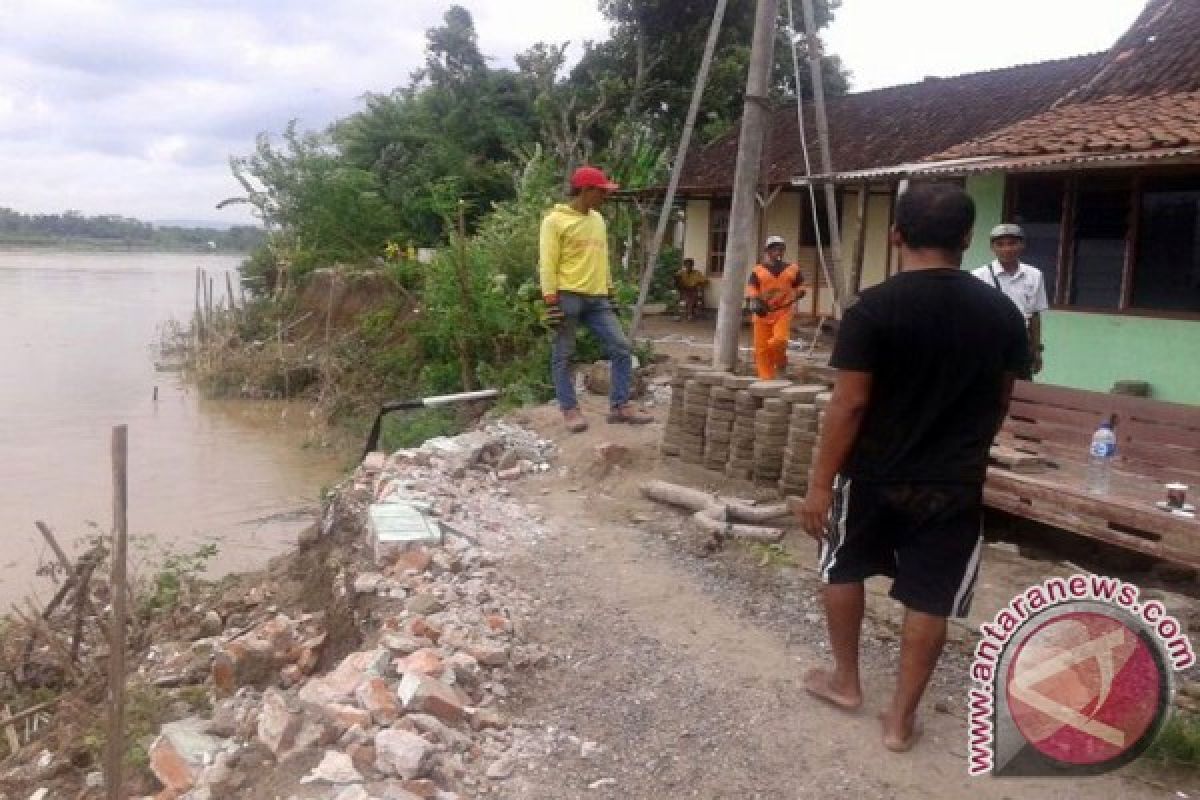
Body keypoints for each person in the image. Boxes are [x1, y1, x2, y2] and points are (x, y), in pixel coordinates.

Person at [795, 184, 1028, 753]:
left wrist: (819, 484)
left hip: (872, 473)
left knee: (842, 566)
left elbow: (849, 403)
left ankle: (846, 683)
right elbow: (1000, 399)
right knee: (931, 596)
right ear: (968, 239)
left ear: (896, 234)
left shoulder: (873, 308)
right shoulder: (1002, 312)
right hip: (952, 483)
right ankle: (900, 721)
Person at [540, 165, 652, 433]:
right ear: (585, 190)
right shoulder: (554, 221)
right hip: (567, 296)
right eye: (601, 191)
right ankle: (570, 410)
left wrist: (611, 291)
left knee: (621, 347)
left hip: (597, 298)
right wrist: (550, 299)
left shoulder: (598, 220)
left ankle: (620, 406)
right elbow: (547, 263)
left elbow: (603, 260)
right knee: (563, 355)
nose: (604, 196)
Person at [971, 224, 1048, 379]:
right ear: (992, 247)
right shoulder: (979, 276)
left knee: (1020, 389)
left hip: (1021, 343)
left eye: (1012, 243)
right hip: (990, 342)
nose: (1007, 249)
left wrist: (1036, 350)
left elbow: (1034, 315)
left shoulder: (1034, 275)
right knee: (990, 387)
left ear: (1022, 245)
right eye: (1000, 244)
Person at [745, 236, 806, 379]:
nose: (777, 252)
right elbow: (752, 287)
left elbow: (800, 285)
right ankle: (766, 379)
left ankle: (780, 361)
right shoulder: (758, 270)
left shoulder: (793, 268)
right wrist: (754, 300)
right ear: (767, 251)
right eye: (773, 248)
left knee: (780, 340)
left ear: (783, 250)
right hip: (763, 312)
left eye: (779, 248)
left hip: (782, 311)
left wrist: (800, 292)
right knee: (761, 349)